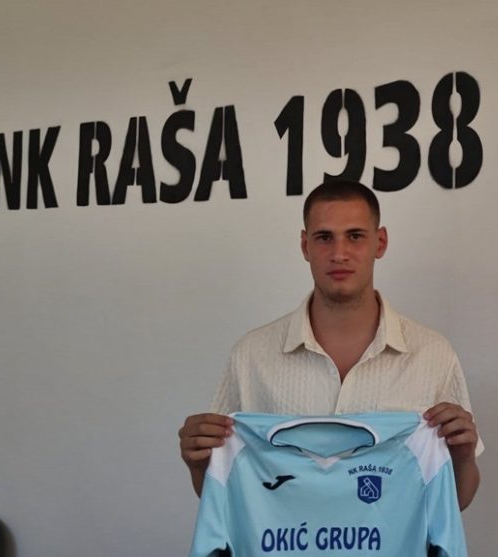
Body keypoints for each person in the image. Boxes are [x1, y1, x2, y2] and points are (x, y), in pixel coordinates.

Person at [178, 180, 481, 509]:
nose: (339, 254)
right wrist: (199, 464)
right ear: (305, 245)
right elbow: (226, 497)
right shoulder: (251, 356)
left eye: (355, 236)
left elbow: (456, 502)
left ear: (380, 242)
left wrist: (463, 458)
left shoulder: (433, 355)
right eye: (324, 237)